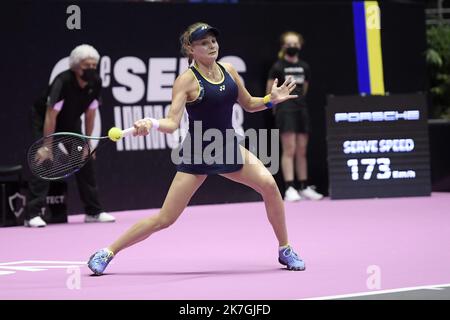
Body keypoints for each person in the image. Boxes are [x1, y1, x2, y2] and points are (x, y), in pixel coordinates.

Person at [87, 22, 305, 273]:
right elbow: (171, 123)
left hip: (227, 145)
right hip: (198, 151)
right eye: (204, 42)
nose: (211, 45)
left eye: (213, 40)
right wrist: (152, 123)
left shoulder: (230, 70)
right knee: (165, 219)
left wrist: (270, 100)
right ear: (191, 49)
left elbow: (248, 103)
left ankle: (284, 248)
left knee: (269, 185)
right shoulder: (186, 81)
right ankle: (107, 252)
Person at [24, 44, 115, 227]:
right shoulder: (62, 81)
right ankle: (32, 214)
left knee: (85, 158)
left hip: (71, 121)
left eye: (93, 66)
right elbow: (51, 115)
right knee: (44, 160)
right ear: (75, 67)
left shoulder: (96, 82)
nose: (90, 70)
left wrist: (88, 143)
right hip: (44, 121)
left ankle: (93, 212)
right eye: (85, 66)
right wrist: (47, 146)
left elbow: (91, 113)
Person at [266, 31, 324, 202]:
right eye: (289, 44)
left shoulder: (305, 66)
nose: (292, 47)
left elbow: (304, 89)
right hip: (285, 110)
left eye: (295, 44)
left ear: (300, 45)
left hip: (302, 109)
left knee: (301, 150)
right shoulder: (278, 67)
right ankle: (290, 188)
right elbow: (271, 90)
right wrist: (275, 106)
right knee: (289, 149)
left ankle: (304, 186)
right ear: (283, 46)